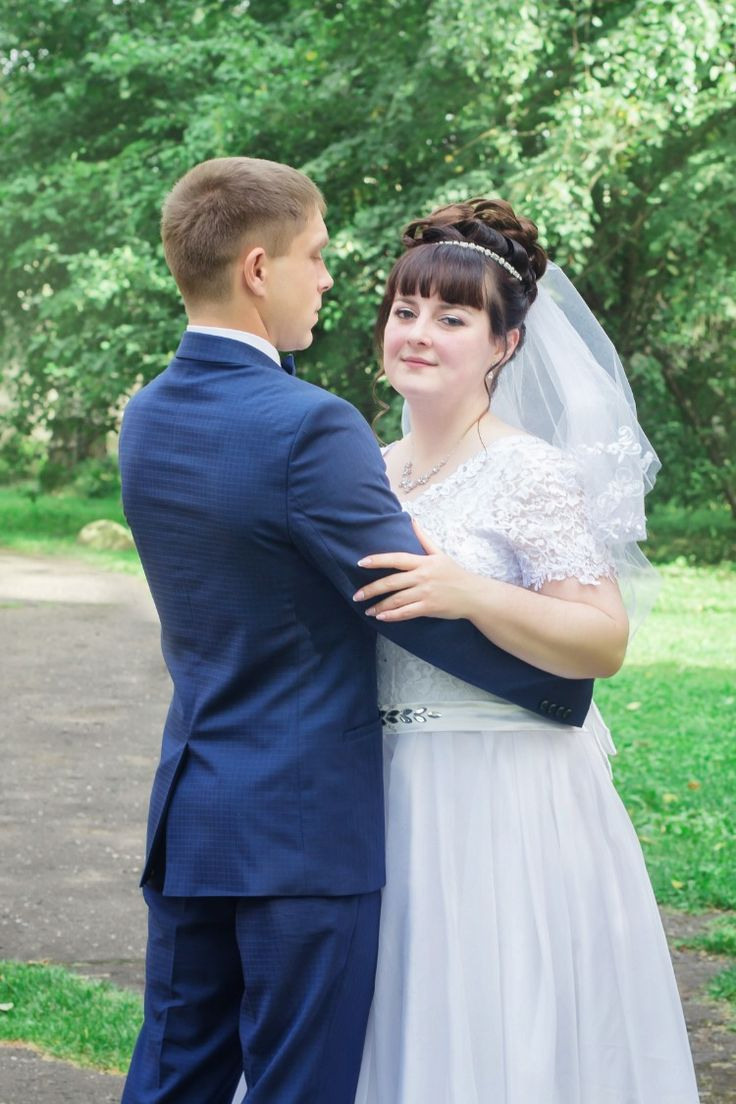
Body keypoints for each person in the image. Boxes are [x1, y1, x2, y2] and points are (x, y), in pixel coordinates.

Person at [117, 160, 591, 1104]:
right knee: (299, 1084)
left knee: (174, 1075)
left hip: (195, 807)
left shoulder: (148, 415)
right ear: (259, 270)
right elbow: (402, 597)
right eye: (317, 255)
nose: (330, 279)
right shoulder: (310, 426)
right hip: (304, 825)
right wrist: (564, 685)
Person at [352, 199, 700, 1103]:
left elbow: (602, 639)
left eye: (452, 317)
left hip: (503, 789)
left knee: (497, 1018)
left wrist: (470, 592)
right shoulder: (369, 469)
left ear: (504, 345)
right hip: (382, 785)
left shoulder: (529, 469)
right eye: (405, 310)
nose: (418, 333)